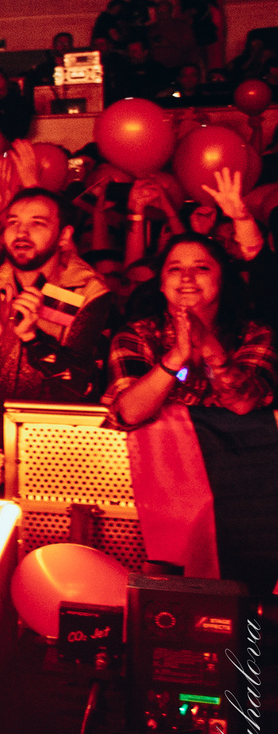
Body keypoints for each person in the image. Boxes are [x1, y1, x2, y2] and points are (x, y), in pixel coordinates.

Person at [103, 236, 277, 594]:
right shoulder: (137, 335)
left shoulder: (255, 334)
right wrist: (175, 359)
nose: (186, 278)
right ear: (162, 282)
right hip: (156, 508)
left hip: (246, 505)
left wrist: (209, 347)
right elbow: (129, 412)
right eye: (174, 269)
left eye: (201, 268)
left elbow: (244, 403)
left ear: (222, 279)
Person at [0, 188, 114, 402]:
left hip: (55, 431)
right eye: (13, 222)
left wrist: (33, 339)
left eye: (37, 223)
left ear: (64, 236)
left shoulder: (89, 292)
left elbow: (83, 389)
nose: (21, 233)